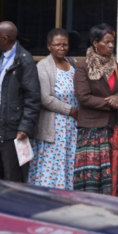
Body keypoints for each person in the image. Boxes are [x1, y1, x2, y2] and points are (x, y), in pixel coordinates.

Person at [73, 23, 118, 197]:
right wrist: (112, 103)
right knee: (93, 176)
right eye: (107, 42)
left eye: (113, 42)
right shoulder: (83, 67)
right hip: (92, 128)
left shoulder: (117, 68)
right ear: (95, 43)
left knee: (112, 174)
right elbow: (83, 97)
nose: (111, 46)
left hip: (113, 128)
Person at [0, 21, 40, 182]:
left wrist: (26, 126)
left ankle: (11, 206)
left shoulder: (24, 60)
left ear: (5, 38)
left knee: (11, 172)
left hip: (12, 122)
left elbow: (33, 97)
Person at [29, 28, 78, 189]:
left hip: (72, 127)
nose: (62, 48)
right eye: (57, 44)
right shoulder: (43, 66)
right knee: (51, 168)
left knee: (69, 163)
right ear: (49, 46)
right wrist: (70, 110)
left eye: (65, 44)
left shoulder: (72, 64)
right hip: (53, 127)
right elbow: (45, 98)